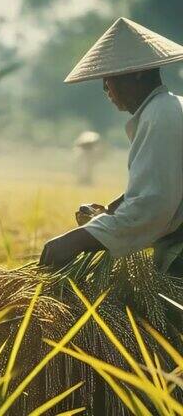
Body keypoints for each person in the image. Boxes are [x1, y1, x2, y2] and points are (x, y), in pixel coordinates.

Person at [40, 17, 183, 274]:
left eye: (109, 76)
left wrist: (75, 240)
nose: (105, 87)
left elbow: (152, 205)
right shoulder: (168, 108)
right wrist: (111, 210)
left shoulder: (161, 114)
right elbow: (167, 185)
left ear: (138, 70)